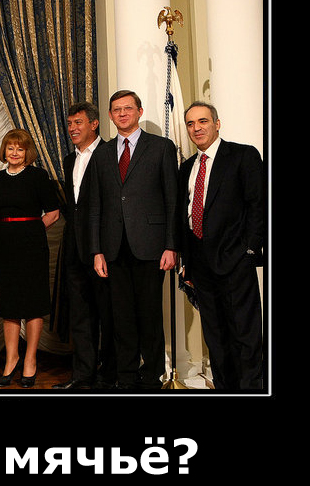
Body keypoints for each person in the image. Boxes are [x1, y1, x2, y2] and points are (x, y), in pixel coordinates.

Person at [88, 90, 178, 390]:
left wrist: (171, 245)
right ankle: (126, 378)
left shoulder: (161, 147)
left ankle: (152, 377)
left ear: (139, 111)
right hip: (113, 248)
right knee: (121, 318)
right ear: (110, 116)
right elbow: (95, 205)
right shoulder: (102, 153)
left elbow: (172, 200)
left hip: (151, 246)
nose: (122, 113)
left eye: (128, 108)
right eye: (116, 109)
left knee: (150, 316)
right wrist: (97, 251)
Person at [178, 102, 265, 391]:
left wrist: (250, 250)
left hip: (235, 259)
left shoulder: (242, 156)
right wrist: (187, 262)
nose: (196, 128)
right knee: (215, 334)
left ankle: (251, 389)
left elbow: (258, 205)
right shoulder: (187, 167)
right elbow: (184, 215)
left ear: (217, 124)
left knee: (244, 332)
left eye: (203, 121)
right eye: (191, 123)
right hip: (200, 263)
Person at [52, 102, 116, 390]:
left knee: (109, 314)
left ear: (94, 124)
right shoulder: (69, 160)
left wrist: (102, 247)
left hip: (104, 249)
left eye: (78, 122)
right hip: (74, 249)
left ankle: (110, 375)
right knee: (80, 315)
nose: (72, 128)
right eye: (69, 124)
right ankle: (82, 375)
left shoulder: (110, 154)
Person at [0, 129, 59, 388]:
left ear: (27, 152)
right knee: (9, 305)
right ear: (4, 150)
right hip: (3, 248)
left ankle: (30, 360)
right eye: (10, 148)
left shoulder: (38, 176)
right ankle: (12, 359)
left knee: (32, 304)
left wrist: (31, 231)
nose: (15, 153)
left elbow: (53, 213)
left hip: (32, 248)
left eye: (20, 148)